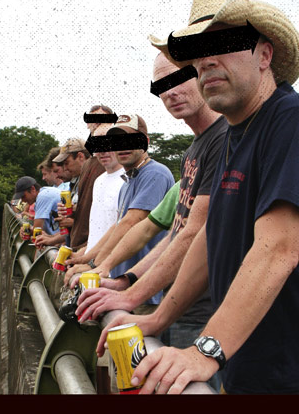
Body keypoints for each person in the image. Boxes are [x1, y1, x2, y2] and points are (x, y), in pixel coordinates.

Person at [98, 0, 299, 395]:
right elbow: (206, 238)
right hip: (243, 371)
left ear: (264, 54)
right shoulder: (233, 137)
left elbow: (278, 249)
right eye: (197, 53)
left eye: (224, 43)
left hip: (298, 378)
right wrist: (156, 319)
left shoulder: (292, 118)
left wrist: (205, 350)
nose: (206, 61)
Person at [75, 53, 227, 392]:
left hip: (206, 309)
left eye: (179, 78)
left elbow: (188, 233)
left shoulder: (225, 140)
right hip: (178, 302)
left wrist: (131, 296)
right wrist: (125, 280)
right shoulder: (194, 151)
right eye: (161, 86)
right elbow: (175, 234)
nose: (170, 92)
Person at [64, 114, 175, 309]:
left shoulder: (155, 174)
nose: (123, 147)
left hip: (145, 292)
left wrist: (95, 265)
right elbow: (116, 227)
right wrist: (86, 258)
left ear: (146, 142)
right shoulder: (127, 182)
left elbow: (131, 222)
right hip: (121, 284)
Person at [83, 124, 125, 253]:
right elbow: (98, 229)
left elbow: (122, 230)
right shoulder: (99, 180)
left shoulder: (128, 179)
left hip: (110, 266)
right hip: (92, 261)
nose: (103, 151)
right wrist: (82, 255)